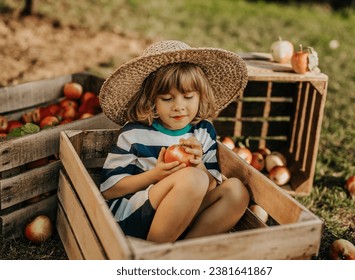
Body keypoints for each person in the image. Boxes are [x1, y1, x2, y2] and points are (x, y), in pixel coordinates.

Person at [98, 40, 249, 243]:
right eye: (167, 99)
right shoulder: (134, 133)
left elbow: (211, 186)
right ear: (151, 100)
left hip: (184, 215)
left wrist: (200, 164)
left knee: (236, 190)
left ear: (200, 96)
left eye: (188, 96)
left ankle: (183, 255)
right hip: (136, 216)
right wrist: (155, 174)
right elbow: (109, 190)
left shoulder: (203, 132)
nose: (179, 107)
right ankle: (155, 255)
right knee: (193, 179)